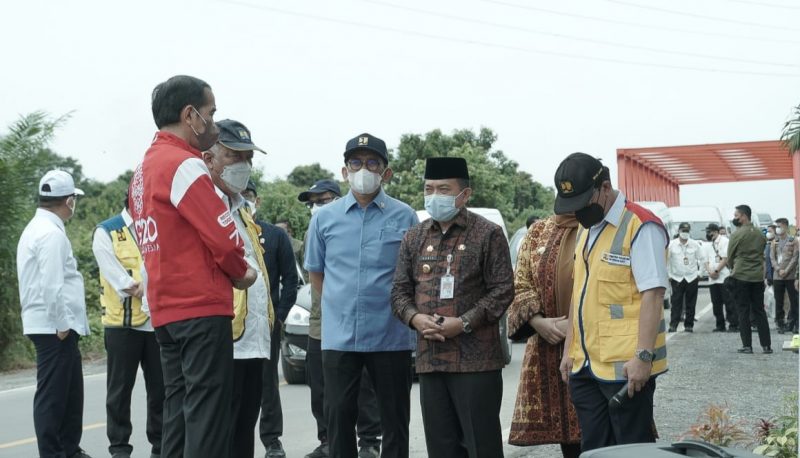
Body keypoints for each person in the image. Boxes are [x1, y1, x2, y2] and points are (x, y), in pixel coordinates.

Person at [130, 75, 257, 458]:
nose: (213, 123)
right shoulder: (184, 165)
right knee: (207, 416)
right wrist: (242, 271)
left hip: (166, 312)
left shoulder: (143, 170)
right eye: (210, 113)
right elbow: (221, 235)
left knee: (178, 411)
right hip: (201, 309)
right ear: (190, 115)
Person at [392, 157, 515, 458]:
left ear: (465, 194)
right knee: (442, 448)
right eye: (429, 188)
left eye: (443, 189)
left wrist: (464, 322)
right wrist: (415, 318)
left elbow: (503, 290)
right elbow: (399, 292)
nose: (434, 196)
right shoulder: (415, 237)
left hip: (477, 362)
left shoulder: (488, 233)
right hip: (431, 362)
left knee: (481, 445)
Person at [305, 133, 418, 458]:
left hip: (391, 335)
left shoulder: (404, 216)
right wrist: (341, 306)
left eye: (372, 163)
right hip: (340, 338)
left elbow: (410, 275)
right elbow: (317, 273)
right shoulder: (325, 219)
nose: (363, 169)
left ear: (386, 172)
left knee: (395, 418)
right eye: (356, 163)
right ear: (345, 171)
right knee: (338, 416)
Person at [554, 153, 669, 452]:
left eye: (582, 202)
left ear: (605, 187)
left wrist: (644, 357)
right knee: (593, 449)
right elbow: (580, 290)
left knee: (630, 450)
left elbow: (653, 295)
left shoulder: (641, 226)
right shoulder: (587, 227)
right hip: (585, 366)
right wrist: (569, 349)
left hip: (626, 369)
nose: (577, 211)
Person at [201, 119, 277, 458]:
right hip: (225, 341)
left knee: (244, 428)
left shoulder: (242, 211)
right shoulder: (205, 207)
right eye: (234, 156)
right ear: (209, 159)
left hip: (253, 341)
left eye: (248, 157)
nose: (243, 165)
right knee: (220, 433)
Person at [298, 179, 382, 458]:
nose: (316, 206)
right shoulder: (316, 229)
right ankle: (328, 440)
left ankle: (369, 440)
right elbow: (314, 275)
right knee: (322, 391)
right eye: (312, 202)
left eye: (322, 200)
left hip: (353, 324)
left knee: (363, 388)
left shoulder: (355, 226)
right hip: (320, 325)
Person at [17, 169, 92, 458]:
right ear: (69, 201)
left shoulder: (38, 228)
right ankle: (54, 452)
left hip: (52, 325)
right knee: (54, 396)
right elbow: (51, 285)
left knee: (71, 392)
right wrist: (62, 324)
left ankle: (69, 449)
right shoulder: (50, 234)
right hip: (54, 327)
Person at [92, 193, 163, 458]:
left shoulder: (157, 228)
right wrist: (150, 286)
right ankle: (120, 448)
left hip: (156, 325)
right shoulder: (106, 231)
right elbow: (119, 279)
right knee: (119, 392)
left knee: (161, 391)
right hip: (121, 326)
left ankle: (161, 446)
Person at [506, 215, 581, 457]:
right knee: (570, 444)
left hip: (596, 343)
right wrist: (538, 322)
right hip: (548, 343)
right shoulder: (539, 231)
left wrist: (578, 323)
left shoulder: (601, 228)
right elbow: (521, 283)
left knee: (603, 430)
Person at [239, 182, 299, 458]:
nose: (244, 200)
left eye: (248, 196)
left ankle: (272, 440)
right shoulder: (226, 231)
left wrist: (280, 315)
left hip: (266, 322)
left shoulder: (275, 235)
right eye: (240, 196)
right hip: (231, 325)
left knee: (266, 383)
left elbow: (290, 280)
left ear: (257, 200)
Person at [727, 205, 771, 354]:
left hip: (741, 276)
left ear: (744, 216)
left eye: (736, 215)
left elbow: (730, 256)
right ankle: (766, 346)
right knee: (759, 311)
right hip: (757, 277)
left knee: (743, 311)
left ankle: (747, 346)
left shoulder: (737, 234)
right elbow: (762, 253)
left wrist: (733, 267)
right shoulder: (760, 234)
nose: (735, 218)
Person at [667, 222, 702, 333]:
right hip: (677, 278)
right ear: (679, 232)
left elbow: (702, 259)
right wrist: (669, 275)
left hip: (691, 277)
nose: (685, 233)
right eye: (683, 231)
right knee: (676, 303)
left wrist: (699, 273)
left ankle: (689, 325)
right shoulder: (671, 245)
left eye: (687, 231)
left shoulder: (695, 244)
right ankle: (673, 325)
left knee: (691, 303)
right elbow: (667, 260)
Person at [703, 223, 736, 333]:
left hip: (723, 276)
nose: (708, 234)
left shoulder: (724, 241)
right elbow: (705, 260)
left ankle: (733, 324)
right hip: (712, 279)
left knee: (729, 302)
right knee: (716, 303)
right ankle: (720, 324)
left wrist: (717, 271)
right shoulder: (707, 244)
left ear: (715, 231)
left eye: (710, 232)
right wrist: (710, 272)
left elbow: (725, 258)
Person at [770, 217, 798, 334]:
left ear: (786, 227)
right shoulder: (774, 242)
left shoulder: (793, 240)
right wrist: (778, 269)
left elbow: (795, 257)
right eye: (776, 226)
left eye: (779, 226)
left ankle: (793, 323)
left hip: (790, 275)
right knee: (779, 300)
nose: (777, 229)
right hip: (778, 276)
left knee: (794, 300)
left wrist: (786, 270)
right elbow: (772, 258)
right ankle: (780, 323)